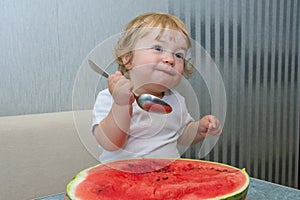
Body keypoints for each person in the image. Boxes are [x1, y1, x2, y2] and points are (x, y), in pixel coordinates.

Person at [92, 12, 222, 163]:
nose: (170, 59)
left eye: (179, 55)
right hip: (122, 179)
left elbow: (182, 136)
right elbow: (110, 144)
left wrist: (199, 129)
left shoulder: (176, 100)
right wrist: (120, 103)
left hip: (166, 178)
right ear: (127, 58)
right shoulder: (109, 97)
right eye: (158, 48)